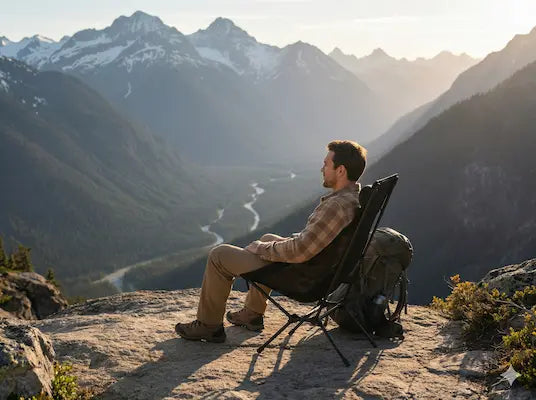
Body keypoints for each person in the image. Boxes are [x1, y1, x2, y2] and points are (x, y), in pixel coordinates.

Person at [175, 140, 367, 342]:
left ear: (341, 171)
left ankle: (208, 326)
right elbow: (311, 245)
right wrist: (269, 246)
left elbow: (300, 251)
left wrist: (262, 249)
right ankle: (252, 314)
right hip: (318, 271)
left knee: (219, 255)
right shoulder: (352, 199)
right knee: (269, 239)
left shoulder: (336, 206)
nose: (322, 168)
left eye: (326, 164)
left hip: (306, 279)